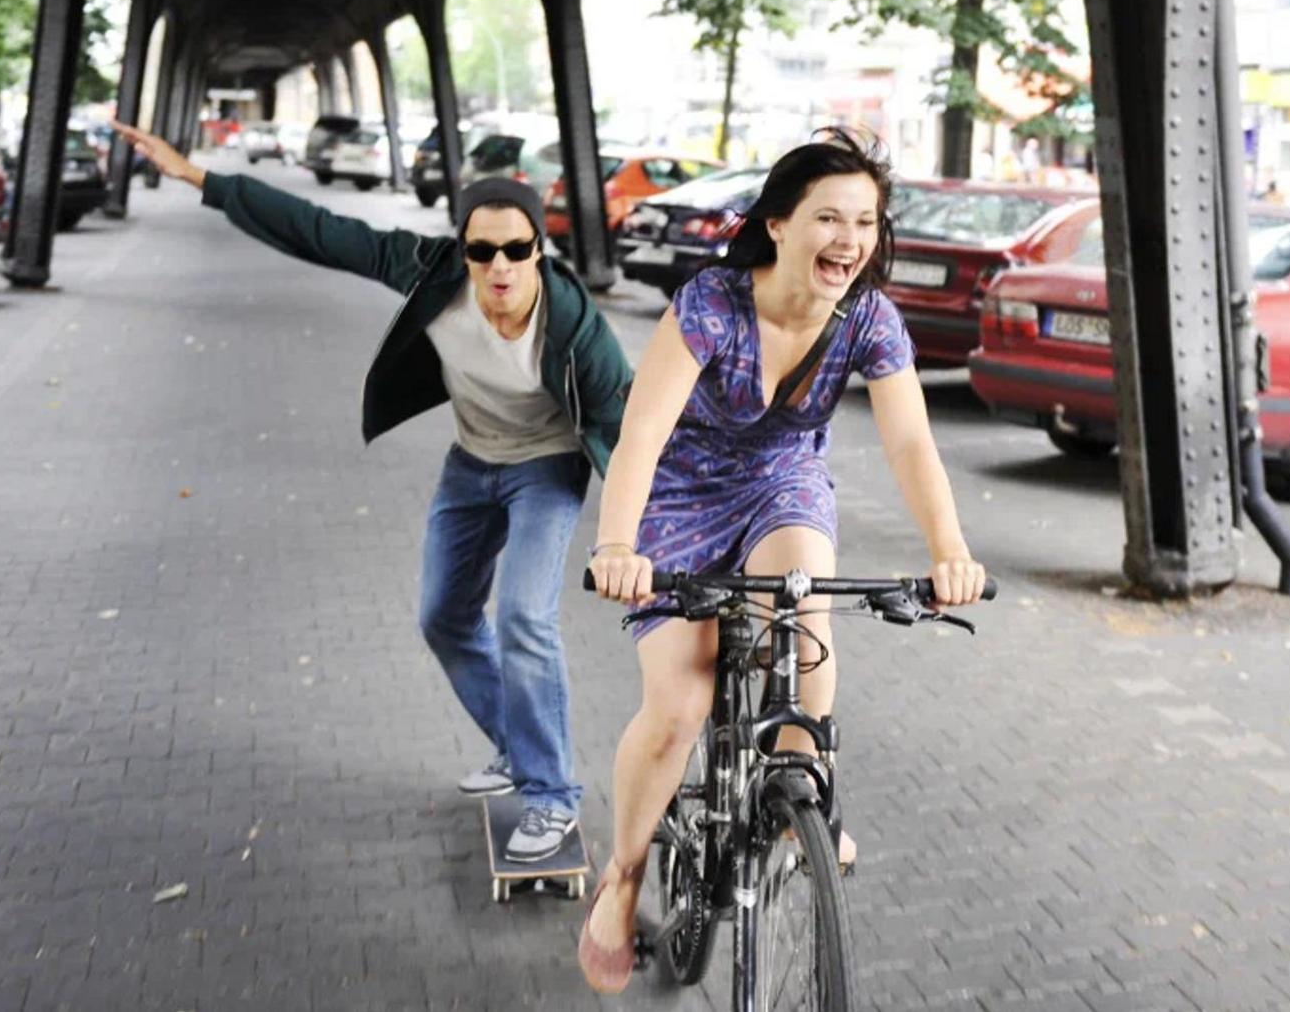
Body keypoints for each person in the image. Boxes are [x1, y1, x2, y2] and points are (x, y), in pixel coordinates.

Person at [109, 120, 632, 862]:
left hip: (546, 469)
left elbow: (630, 429)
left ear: (538, 250)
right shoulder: (430, 273)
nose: (501, 267)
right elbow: (321, 230)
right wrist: (201, 178)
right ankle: (519, 747)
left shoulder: (578, 330)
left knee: (523, 616)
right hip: (471, 462)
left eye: (518, 249)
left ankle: (551, 793)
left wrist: (645, 536)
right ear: (463, 251)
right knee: (444, 618)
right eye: (482, 251)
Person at [574, 130, 988, 994]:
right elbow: (642, 434)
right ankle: (623, 877)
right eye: (828, 217)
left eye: (866, 221)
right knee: (682, 700)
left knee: (805, 616)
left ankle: (804, 789)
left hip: (781, 482)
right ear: (778, 224)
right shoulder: (711, 304)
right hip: (679, 493)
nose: (849, 238)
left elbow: (911, 439)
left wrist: (950, 551)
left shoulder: (869, 317)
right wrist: (617, 544)